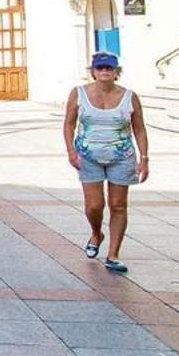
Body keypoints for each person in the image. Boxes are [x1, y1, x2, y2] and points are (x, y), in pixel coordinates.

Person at [63, 52, 149, 274]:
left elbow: (139, 128)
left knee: (118, 204)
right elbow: (69, 123)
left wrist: (144, 158)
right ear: (92, 71)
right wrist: (71, 151)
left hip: (121, 156)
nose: (104, 72)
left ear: (116, 72)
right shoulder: (78, 93)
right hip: (88, 156)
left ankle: (113, 254)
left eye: (109, 68)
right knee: (94, 206)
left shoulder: (130, 97)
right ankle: (96, 233)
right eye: (100, 68)